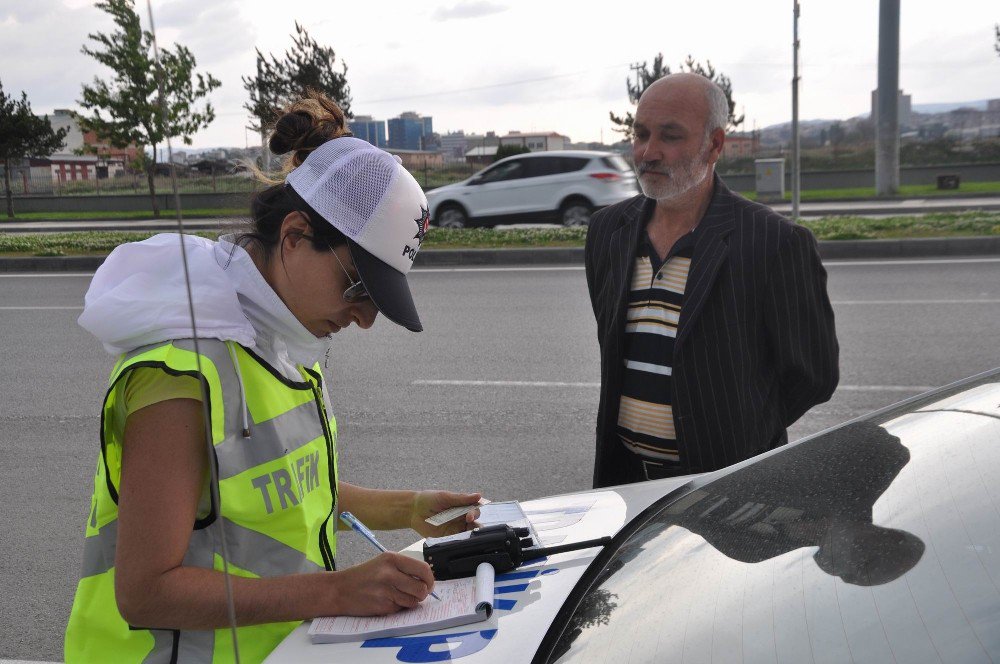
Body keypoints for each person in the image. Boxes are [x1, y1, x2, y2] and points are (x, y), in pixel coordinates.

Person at [65, 93, 481, 663]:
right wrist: (337, 591)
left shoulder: (283, 341)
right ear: (293, 236)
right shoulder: (181, 376)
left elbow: (289, 491)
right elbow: (145, 592)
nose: (363, 318)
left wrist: (406, 509)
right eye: (360, 288)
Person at [585, 73, 839, 487]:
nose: (648, 152)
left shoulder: (775, 242)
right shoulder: (607, 231)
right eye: (641, 133)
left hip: (729, 487)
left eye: (670, 136)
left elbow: (814, 375)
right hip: (626, 484)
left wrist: (738, 435)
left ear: (715, 145)